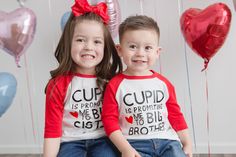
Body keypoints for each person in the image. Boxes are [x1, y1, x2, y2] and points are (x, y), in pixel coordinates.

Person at [102, 15, 193, 157]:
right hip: (133, 143)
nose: (140, 53)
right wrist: (125, 149)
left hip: (167, 142)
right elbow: (109, 121)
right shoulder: (115, 85)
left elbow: (175, 115)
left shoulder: (163, 83)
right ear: (119, 50)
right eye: (132, 46)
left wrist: (187, 142)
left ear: (157, 52)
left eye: (148, 48)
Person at [43, 0, 122, 156]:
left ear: (105, 47)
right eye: (80, 40)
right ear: (68, 43)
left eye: (97, 41)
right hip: (70, 142)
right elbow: (52, 130)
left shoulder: (111, 82)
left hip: (104, 140)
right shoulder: (58, 84)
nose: (88, 47)